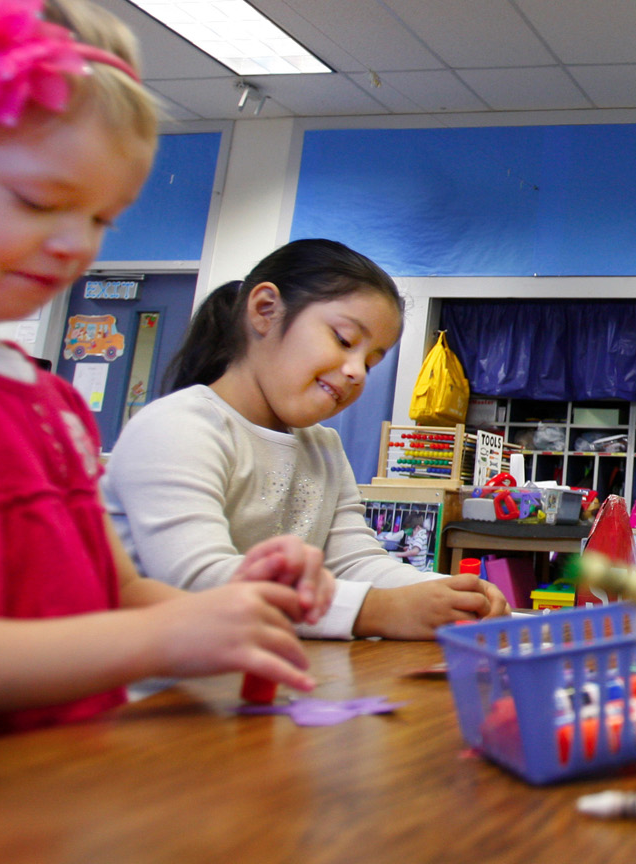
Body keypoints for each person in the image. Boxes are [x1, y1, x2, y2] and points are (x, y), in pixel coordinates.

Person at [0, 0, 333, 745]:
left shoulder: (50, 403)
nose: (72, 245)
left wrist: (229, 606)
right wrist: (154, 644)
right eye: (39, 201)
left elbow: (112, 591)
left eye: (100, 220)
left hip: (55, 790)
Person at [104, 239, 509, 640]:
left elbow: (353, 561)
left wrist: (447, 595)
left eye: (371, 362)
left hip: (260, 681)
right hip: (155, 691)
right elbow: (199, 582)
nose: (357, 372)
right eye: (345, 340)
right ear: (266, 311)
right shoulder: (179, 426)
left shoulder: (323, 447)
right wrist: (376, 610)